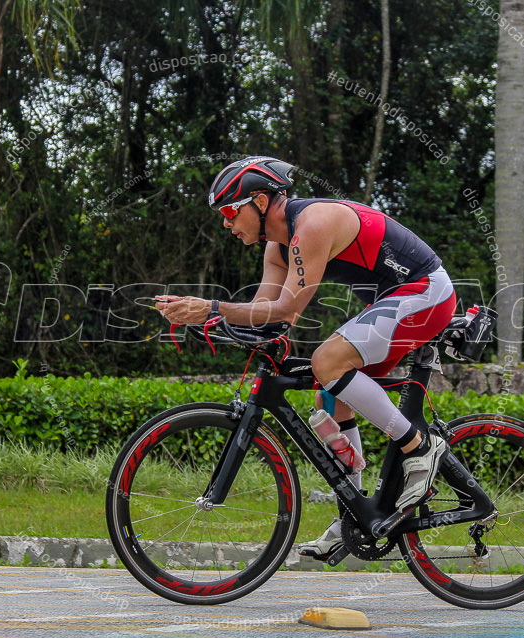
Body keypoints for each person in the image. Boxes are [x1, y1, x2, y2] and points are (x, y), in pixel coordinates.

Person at [156, 156, 457, 560]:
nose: (226, 223)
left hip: (426, 293)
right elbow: (269, 316)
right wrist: (213, 322)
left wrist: (211, 307)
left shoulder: (312, 224)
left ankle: (418, 447)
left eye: (230, 211)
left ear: (260, 202)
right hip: (396, 301)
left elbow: (284, 309)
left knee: (327, 361)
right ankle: (356, 513)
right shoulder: (277, 248)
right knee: (328, 398)